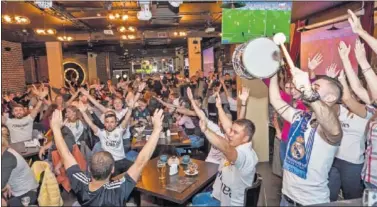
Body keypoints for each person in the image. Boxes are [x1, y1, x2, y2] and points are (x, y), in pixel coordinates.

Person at [50, 108, 164, 206]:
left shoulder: (80, 183)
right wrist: (157, 129)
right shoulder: (118, 190)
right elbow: (141, 162)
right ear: (112, 169)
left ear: (89, 169)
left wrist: (55, 128)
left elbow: (66, 155)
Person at [269, 65, 343, 205]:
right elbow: (276, 100)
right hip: (286, 199)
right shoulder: (299, 116)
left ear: (330, 97)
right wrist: (272, 73)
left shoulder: (330, 126)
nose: (307, 90)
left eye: (315, 88)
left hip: (311, 202)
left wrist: (309, 91)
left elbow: (333, 129)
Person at [1, 125, 39, 207]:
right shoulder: (5, 152)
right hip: (15, 190)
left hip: (26, 194)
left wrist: (4, 186)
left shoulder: (8, 158)